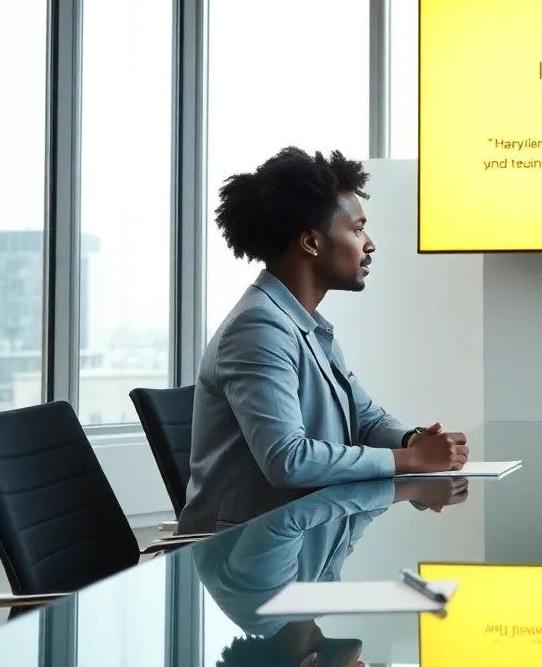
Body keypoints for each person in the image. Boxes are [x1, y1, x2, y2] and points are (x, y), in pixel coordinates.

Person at [181, 147, 469, 534]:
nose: (370, 244)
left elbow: (365, 418)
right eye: (357, 229)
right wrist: (412, 460)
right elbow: (288, 460)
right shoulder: (258, 328)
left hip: (305, 536)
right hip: (243, 551)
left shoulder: (308, 325)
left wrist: (411, 439)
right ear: (312, 243)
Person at [195, 477, 468, 667]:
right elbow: (355, 518)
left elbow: (289, 517)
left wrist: (415, 488)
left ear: (309, 664)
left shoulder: (259, 598)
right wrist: (418, 490)